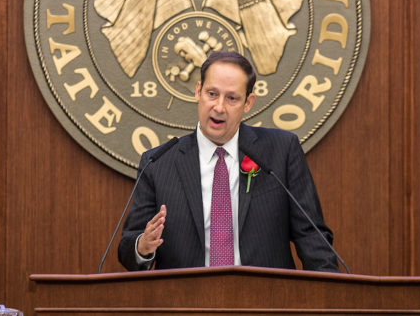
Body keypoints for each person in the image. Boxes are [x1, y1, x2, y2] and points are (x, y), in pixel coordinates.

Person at [118, 51, 339, 272]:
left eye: (232, 98)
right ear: (198, 91)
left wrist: (330, 296)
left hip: (266, 300)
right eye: (212, 94)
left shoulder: (281, 151)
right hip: (186, 301)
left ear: (248, 102)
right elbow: (128, 250)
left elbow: (312, 237)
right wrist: (143, 246)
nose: (219, 107)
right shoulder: (158, 163)